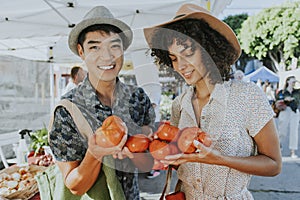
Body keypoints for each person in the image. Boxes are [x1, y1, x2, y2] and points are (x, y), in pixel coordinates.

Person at [144, 3, 282, 199]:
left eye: (188, 53)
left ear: (209, 50)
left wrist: (219, 159)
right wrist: (153, 151)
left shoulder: (248, 96)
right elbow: (180, 164)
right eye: (173, 58)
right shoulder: (179, 105)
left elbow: (274, 164)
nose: (181, 66)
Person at [48, 6, 155, 200]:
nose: (107, 56)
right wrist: (95, 153)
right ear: (81, 52)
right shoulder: (68, 109)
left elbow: (148, 165)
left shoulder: (138, 98)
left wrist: (135, 152)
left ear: (123, 49)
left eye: (114, 45)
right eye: (94, 47)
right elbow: (74, 186)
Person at [275, 76, 300, 158]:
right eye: (292, 81)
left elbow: (297, 100)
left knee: (294, 131)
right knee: (282, 131)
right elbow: (277, 101)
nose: (294, 83)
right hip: (284, 111)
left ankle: (292, 151)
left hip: (294, 111)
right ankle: (279, 147)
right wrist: (284, 100)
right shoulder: (282, 92)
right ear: (288, 81)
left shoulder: (297, 92)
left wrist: (292, 98)